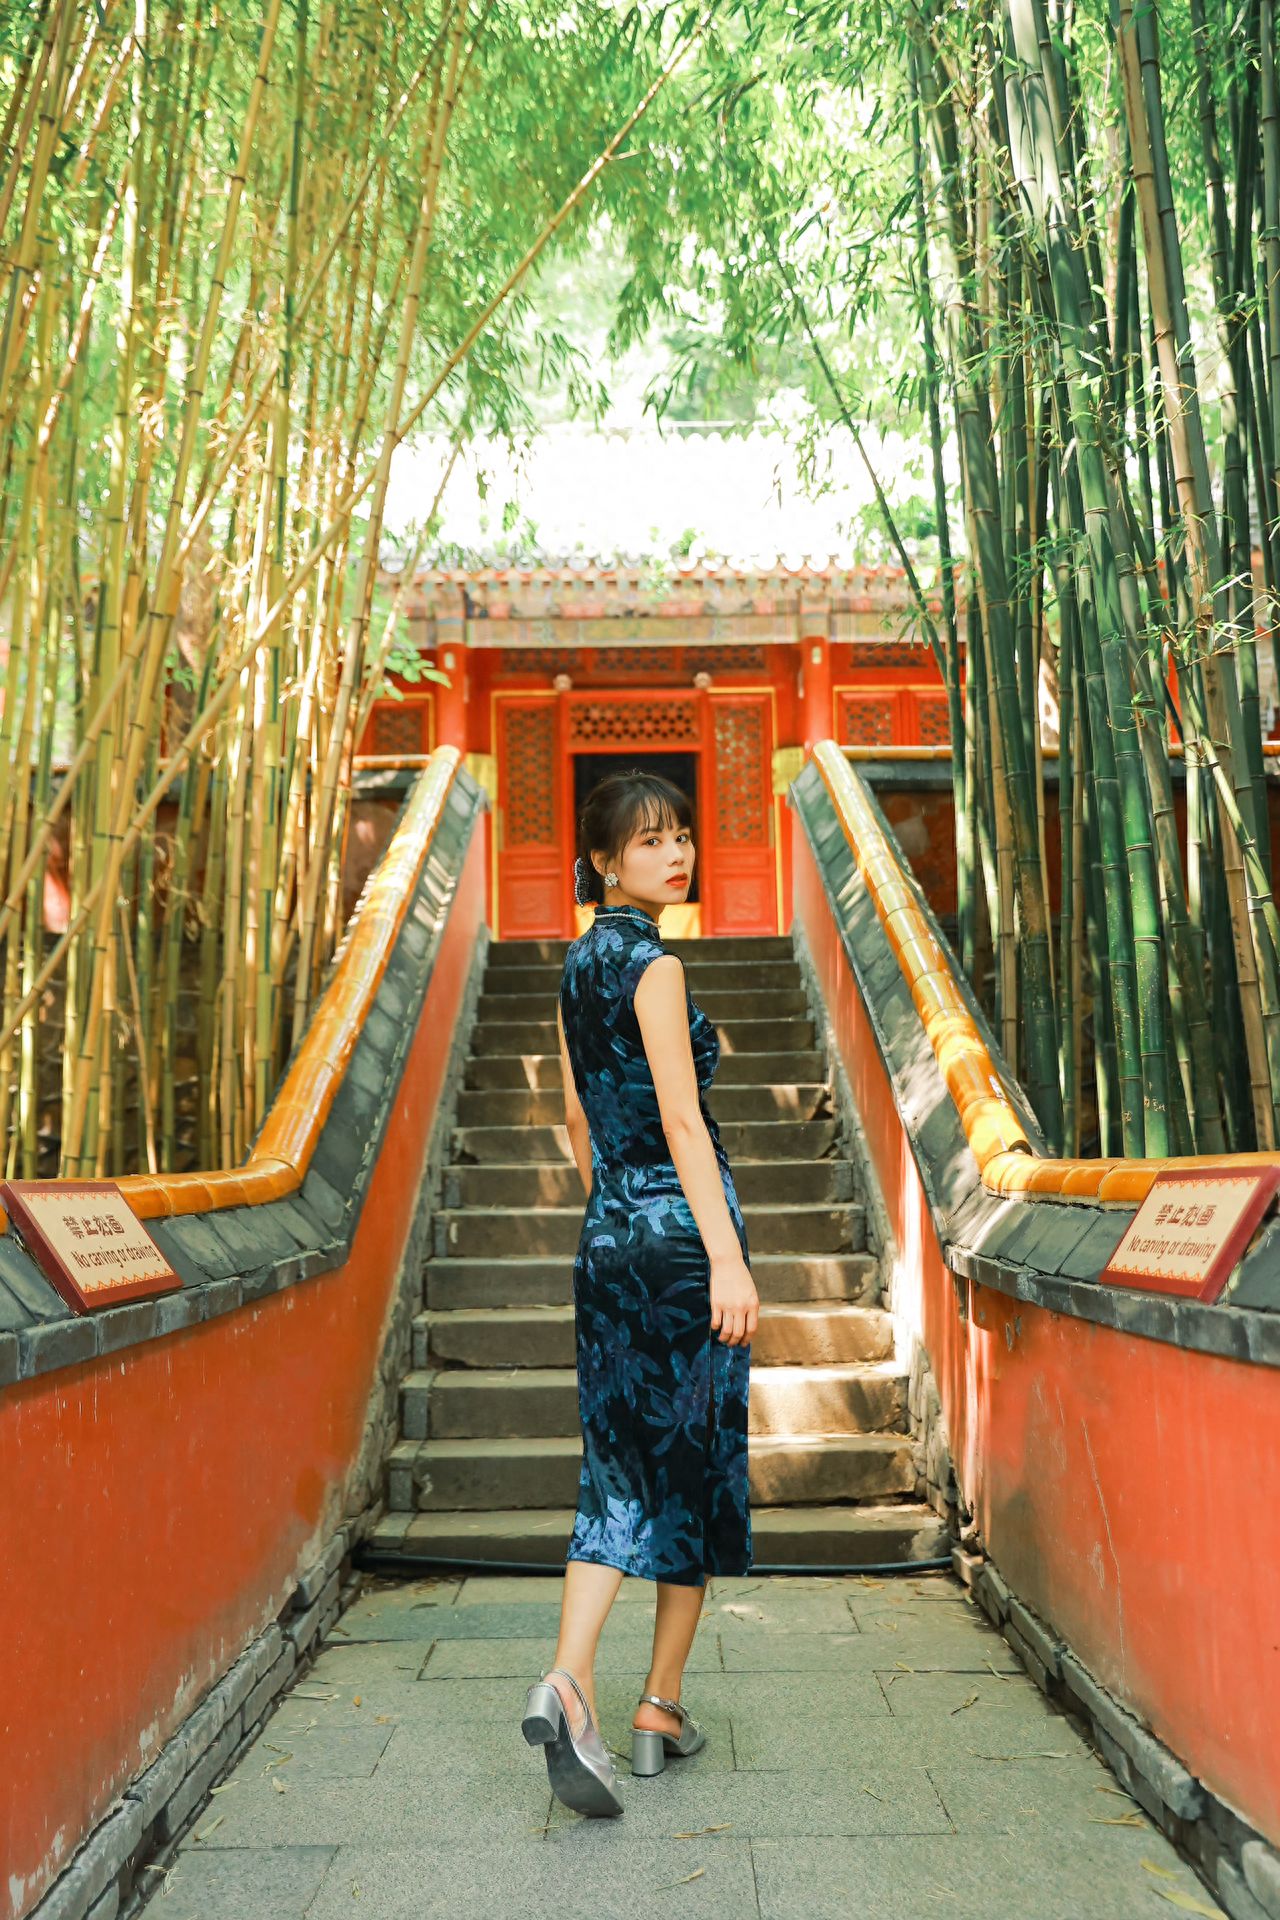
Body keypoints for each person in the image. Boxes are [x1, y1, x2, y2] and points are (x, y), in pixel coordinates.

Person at [520, 768, 760, 1817]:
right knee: (690, 1464)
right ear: (605, 862)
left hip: (607, 1235)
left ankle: (578, 1682)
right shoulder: (652, 967)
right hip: (677, 1237)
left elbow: (581, 1122)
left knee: (613, 1462)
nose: (675, 853)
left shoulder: (576, 967)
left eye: (681, 836)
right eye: (649, 841)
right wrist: (726, 1257)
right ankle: (649, 1700)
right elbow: (681, 1123)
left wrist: (612, 1216)